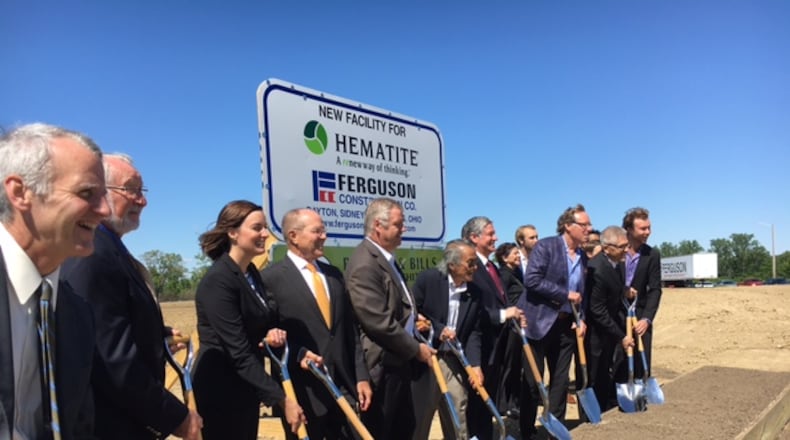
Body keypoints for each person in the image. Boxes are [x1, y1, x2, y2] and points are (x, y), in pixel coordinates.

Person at [61, 153, 202, 439]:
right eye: (132, 189)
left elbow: (110, 323)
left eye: (142, 191)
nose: (143, 200)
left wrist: (153, 335)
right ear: (99, 191)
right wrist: (176, 418)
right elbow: (108, 357)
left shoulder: (108, 247)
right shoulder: (93, 253)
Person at [0, 123, 110, 439]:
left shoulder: (75, 312)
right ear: (20, 192)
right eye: (86, 193)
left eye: (104, 195)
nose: (104, 210)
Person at [192, 200, 304, 440]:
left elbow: (260, 325)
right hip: (219, 393)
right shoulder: (218, 282)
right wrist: (282, 400)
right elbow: (238, 351)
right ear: (233, 232)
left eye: (265, 227)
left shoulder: (251, 274)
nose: (265, 233)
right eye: (257, 228)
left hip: (244, 390)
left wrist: (272, 334)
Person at [260, 208, 372, 440]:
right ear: (293, 236)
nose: (324, 236)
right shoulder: (270, 279)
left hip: (344, 389)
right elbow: (267, 337)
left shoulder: (333, 275)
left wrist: (361, 376)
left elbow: (350, 330)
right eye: (317, 231)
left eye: (324, 231)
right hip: (303, 395)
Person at [345, 197, 434, 440]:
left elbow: (397, 305)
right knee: (384, 429)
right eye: (398, 224)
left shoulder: (385, 258)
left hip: (399, 360)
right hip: (383, 365)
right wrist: (416, 349)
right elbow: (376, 321)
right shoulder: (365, 263)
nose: (403, 229)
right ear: (378, 226)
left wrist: (414, 320)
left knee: (403, 429)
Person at [519, 204, 591, 438]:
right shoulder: (546, 246)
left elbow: (583, 292)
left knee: (560, 381)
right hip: (537, 323)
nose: (589, 229)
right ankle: (528, 431)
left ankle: (554, 429)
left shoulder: (582, 255)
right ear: (568, 226)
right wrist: (564, 294)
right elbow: (532, 280)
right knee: (532, 382)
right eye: (584, 225)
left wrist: (580, 318)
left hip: (565, 325)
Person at [411, 239, 484, 440]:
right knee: (423, 414)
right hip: (427, 358)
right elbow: (413, 312)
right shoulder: (429, 280)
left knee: (457, 408)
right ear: (452, 265)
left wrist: (475, 365)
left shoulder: (475, 292)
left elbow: (474, 332)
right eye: (470, 263)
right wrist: (437, 328)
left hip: (453, 360)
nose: (475, 268)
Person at [461, 216, 522, 440]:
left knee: (488, 401)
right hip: (478, 345)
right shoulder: (470, 268)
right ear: (474, 238)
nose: (496, 237)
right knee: (478, 401)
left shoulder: (491, 266)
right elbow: (472, 311)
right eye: (490, 234)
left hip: (497, 343)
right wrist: (504, 314)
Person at [585, 226, 634, 411]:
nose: (626, 250)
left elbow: (614, 291)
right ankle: (591, 416)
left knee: (606, 371)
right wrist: (620, 335)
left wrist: (625, 291)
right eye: (622, 247)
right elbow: (597, 309)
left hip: (609, 329)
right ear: (606, 248)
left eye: (627, 245)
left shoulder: (619, 263)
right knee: (595, 374)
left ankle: (605, 406)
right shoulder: (596, 269)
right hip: (595, 333)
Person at [622, 207, 662, 378]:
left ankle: (641, 396)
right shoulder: (617, 249)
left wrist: (646, 319)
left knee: (642, 362)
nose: (648, 232)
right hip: (616, 315)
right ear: (629, 230)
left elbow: (655, 289)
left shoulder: (652, 254)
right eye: (643, 228)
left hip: (640, 316)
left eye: (649, 228)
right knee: (618, 362)